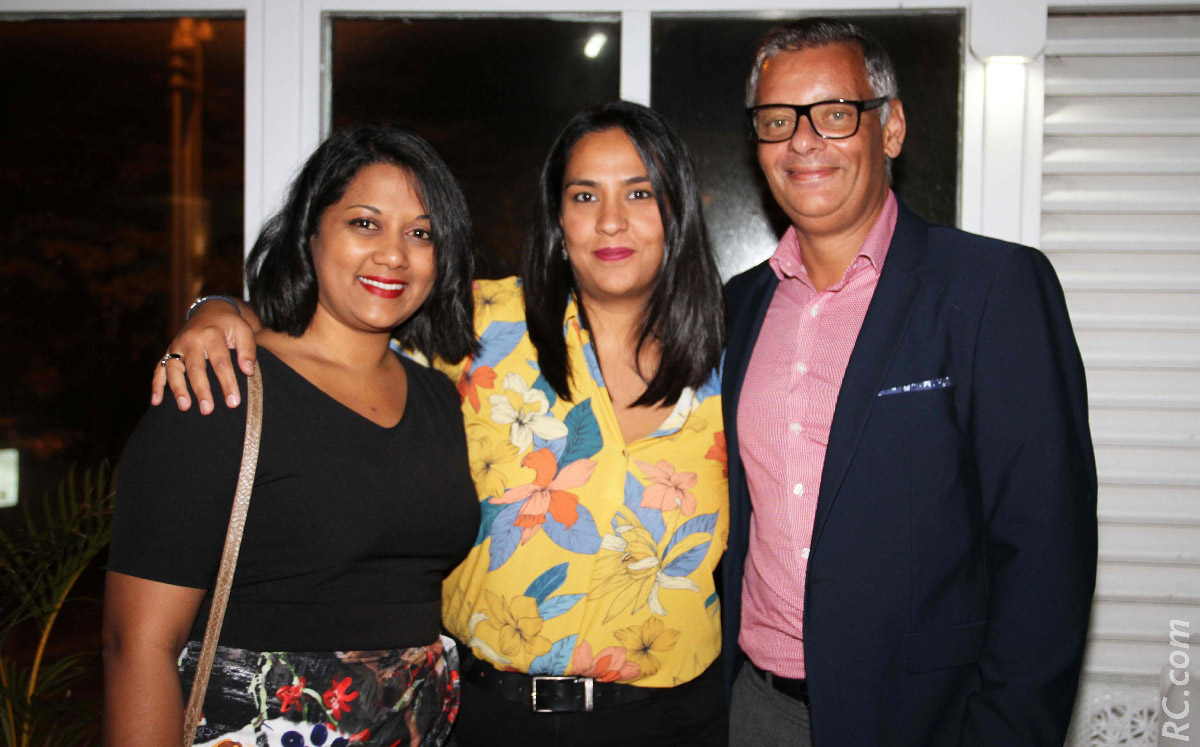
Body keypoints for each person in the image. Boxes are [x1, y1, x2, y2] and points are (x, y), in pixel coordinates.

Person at [150, 101, 730, 746]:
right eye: (585, 194)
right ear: (558, 218)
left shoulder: (739, 357)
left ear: (676, 210)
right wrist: (219, 310)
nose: (611, 220)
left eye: (641, 192)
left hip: (677, 722)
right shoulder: (480, 329)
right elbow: (330, 334)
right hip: (488, 719)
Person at [720, 18, 1098, 747]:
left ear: (890, 129)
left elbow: (1046, 550)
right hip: (758, 710)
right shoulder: (738, 305)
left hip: (928, 719)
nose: (803, 141)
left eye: (834, 114)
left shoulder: (994, 289)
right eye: (776, 120)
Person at [103, 123, 481, 747]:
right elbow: (135, 646)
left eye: (421, 233)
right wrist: (214, 308)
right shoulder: (222, 387)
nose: (394, 254)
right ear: (310, 233)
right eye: (365, 223)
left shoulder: (439, 397)